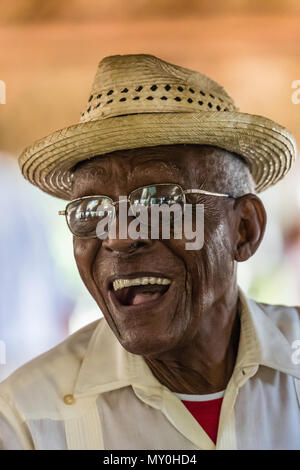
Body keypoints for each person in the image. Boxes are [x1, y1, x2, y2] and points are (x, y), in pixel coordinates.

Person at [0, 54, 299, 450]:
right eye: (91, 209)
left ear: (244, 229)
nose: (120, 236)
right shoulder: (27, 417)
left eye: (160, 200)